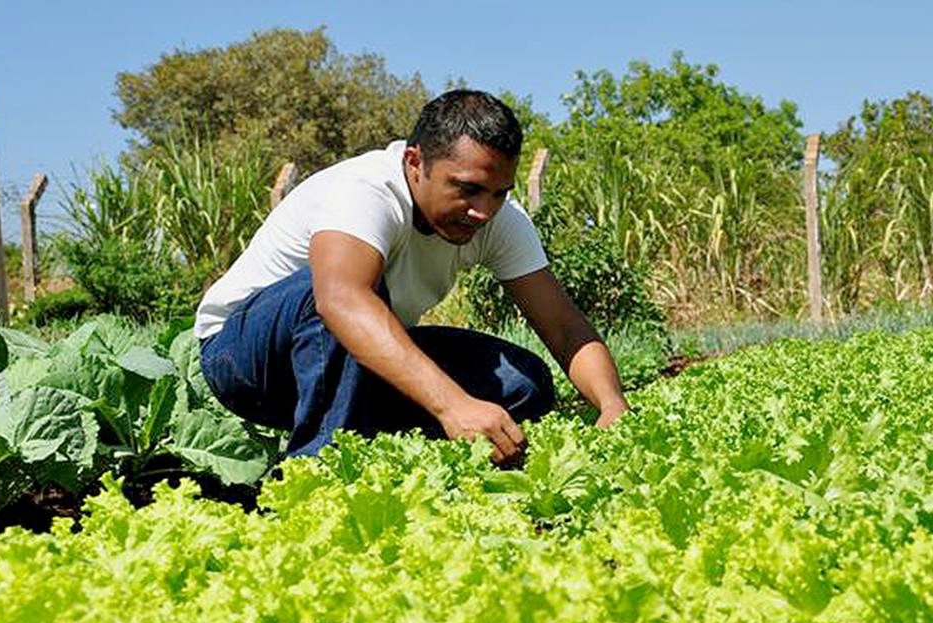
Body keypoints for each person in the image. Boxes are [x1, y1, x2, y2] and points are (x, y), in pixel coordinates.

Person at [193, 89, 630, 463]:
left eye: (500, 193)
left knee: (522, 384)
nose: (484, 211)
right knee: (331, 291)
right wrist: (453, 405)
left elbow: (564, 326)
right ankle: (318, 474)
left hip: (353, 363)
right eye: (467, 189)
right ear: (415, 162)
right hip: (246, 362)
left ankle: (412, 470)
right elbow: (339, 300)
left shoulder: (499, 220)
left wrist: (612, 405)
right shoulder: (365, 191)